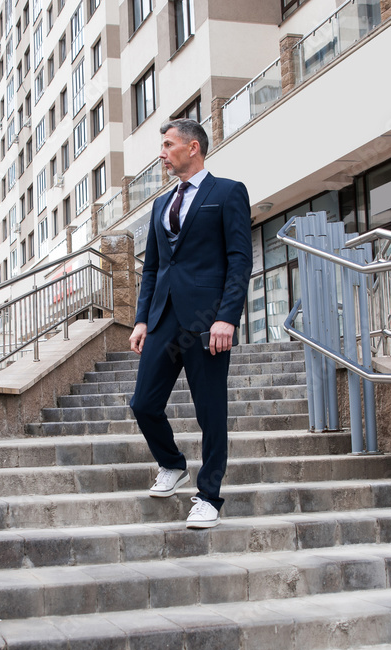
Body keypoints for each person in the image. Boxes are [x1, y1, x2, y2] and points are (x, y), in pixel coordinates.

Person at [129, 118, 252, 528]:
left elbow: (239, 261)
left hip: (207, 322)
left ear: (193, 147)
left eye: (168, 145)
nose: (162, 153)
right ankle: (172, 463)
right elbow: (153, 268)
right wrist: (142, 319)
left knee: (210, 412)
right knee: (143, 403)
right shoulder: (161, 204)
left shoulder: (228, 192)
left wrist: (226, 318)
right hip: (164, 318)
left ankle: (209, 497)